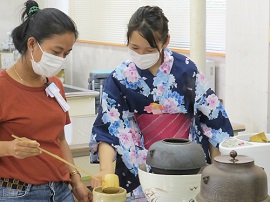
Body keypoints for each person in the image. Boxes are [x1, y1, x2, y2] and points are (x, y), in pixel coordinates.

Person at [90, 5, 233, 197]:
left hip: (185, 162)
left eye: (149, 49)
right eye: (134, 48)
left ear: (166, 41)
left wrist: (217, 172)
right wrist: (105, 170)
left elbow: (214, 121)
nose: (141, 55)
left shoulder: (186, 70)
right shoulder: (120, 77)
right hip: (137, 164)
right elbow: (109, 128)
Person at [0, 1, 92, 201]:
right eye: (56, 51)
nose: (60, 59)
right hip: (18, 193)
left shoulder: (55, 85)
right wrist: (9, 148)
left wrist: (75, 179)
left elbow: (59, 140)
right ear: (32, 44)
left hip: (61, 190)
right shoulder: (3, 87)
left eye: (66, 54)